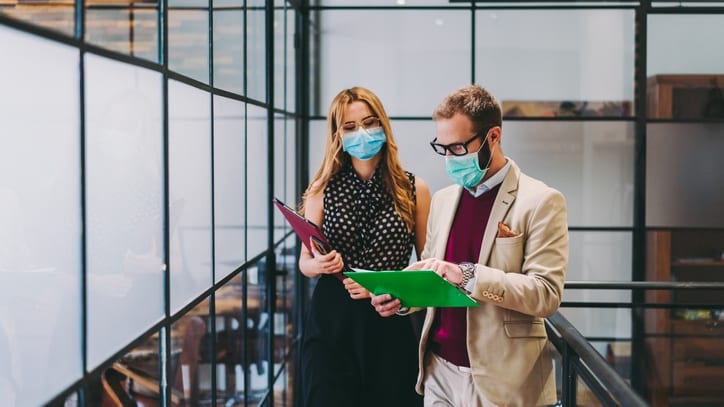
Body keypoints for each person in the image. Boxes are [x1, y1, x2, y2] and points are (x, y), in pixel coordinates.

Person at [372, 84, 568, 407]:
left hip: (503, 381)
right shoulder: (442, 200)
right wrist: (403, 299)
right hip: (439, 373)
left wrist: (468, 275)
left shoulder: (541, 201)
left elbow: (546, 294)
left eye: (459, 148)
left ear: (493, 137)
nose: (449, 158)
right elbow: (434, 280)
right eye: (443, 147)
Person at [298, 86, 431, 407]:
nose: (362, 132)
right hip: (332, 322)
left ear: (383, 126)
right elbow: (305, 261)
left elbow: (428, 266)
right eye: (350, 127)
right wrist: (320, 265)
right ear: (337, 135)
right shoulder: (321, 189)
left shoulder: (415, 189)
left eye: (370, 123)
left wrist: (387, 288)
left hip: (390, 319)